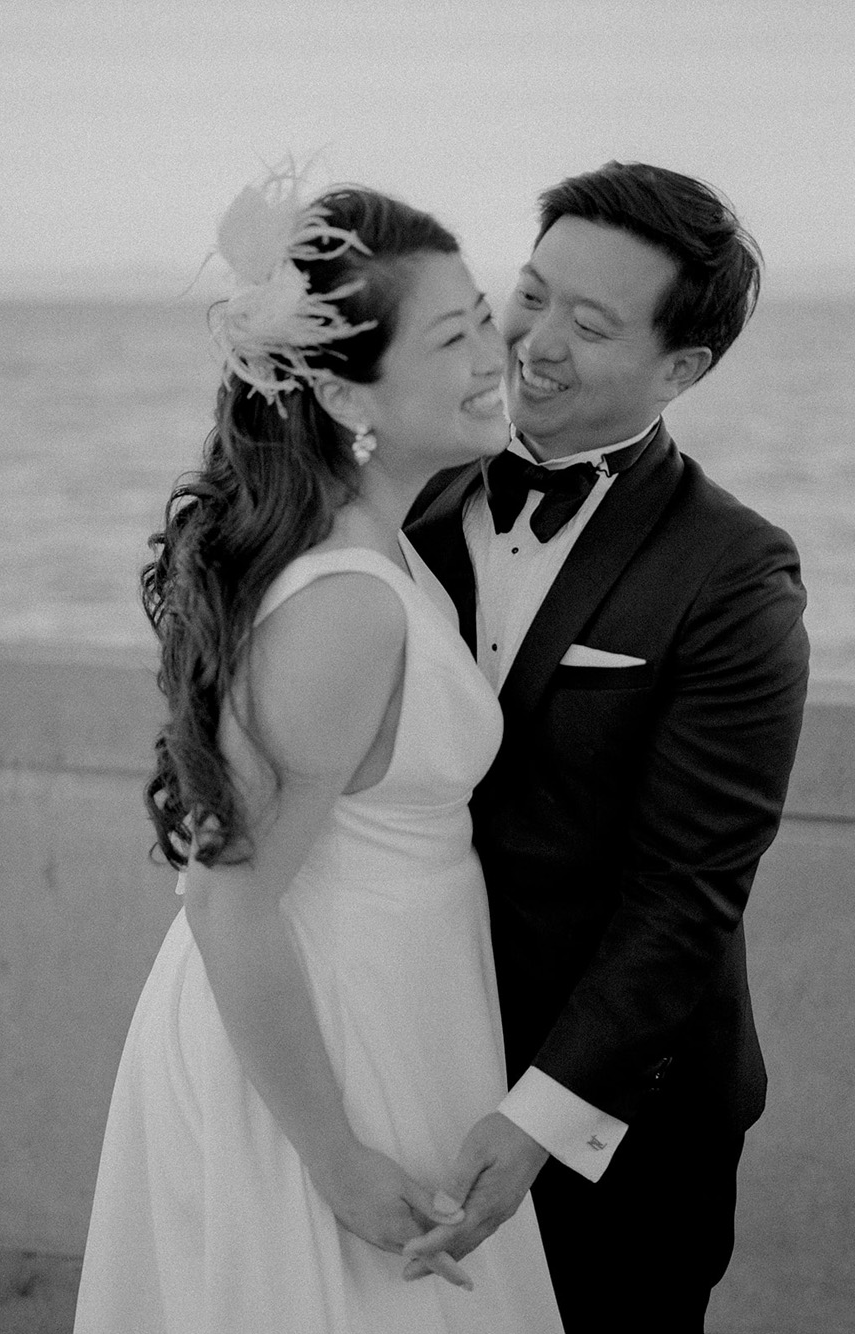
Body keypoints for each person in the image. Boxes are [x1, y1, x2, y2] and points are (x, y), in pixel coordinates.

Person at [73, 168, 563, 1334]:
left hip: (395, 1007)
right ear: (350, 394)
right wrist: (338, 1158)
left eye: (481, 313)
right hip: (320, 1053)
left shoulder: (378, 549)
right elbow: (226, 893)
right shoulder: (345, 598)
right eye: (453, 335)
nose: (495, 351)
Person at [402, 161, 810, 1333]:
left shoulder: (734, 572)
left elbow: (687, 890)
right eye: (526, 295)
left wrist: (538, 1115)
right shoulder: (399, 494)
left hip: (618, 1124)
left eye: (588, 324)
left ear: (681, 368)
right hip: (405, 1049)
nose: (533, 341)